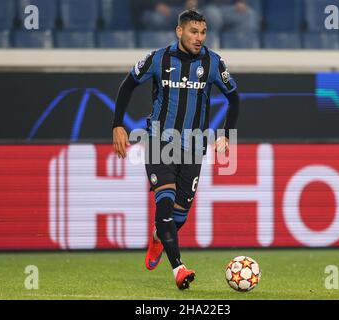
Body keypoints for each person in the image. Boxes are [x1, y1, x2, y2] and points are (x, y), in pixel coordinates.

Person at [112, 10, 239, 290]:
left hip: (194, 148)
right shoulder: (158, 58)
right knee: (165, 203)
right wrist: (117, 125)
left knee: (179, 215)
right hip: (160, 142)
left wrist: (228, 135)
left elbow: (234, 98)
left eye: (203, 32)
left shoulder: (213, 62)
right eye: (193, 32)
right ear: (179, 31)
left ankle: (159, 237)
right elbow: (127, 86)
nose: (199, 38)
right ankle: (178, 268)